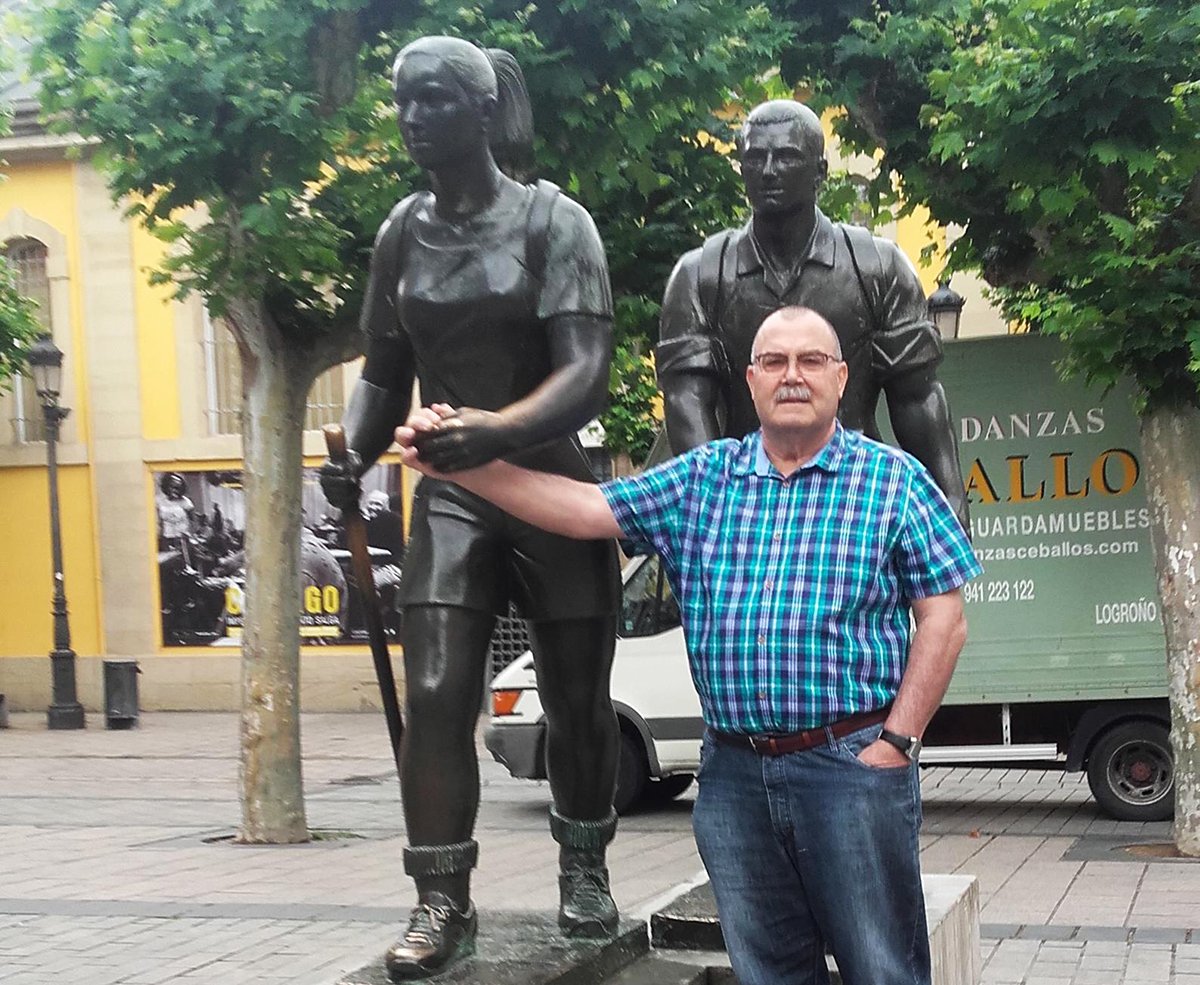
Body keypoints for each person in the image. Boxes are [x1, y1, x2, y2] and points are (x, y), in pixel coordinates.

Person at [398, 306, 982, 985]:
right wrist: (459, 466)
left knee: (881, 965)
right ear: (752, 380)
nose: (793, 375)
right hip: (734, 776)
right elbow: (585, 509)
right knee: (768, 968)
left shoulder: (893, 481)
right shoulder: (703, 478)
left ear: (841, 377)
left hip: (850, 767)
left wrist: (898, 742)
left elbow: (943, 618)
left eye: (811, 360)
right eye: (775, 362)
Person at [318, 36, 621, 981]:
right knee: (440, 695)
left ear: (483, 112)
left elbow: (587, 372)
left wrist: (498, 428)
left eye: (436, 101)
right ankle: (441, 896)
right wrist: (354, 450)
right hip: (451, 494)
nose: (414, 119)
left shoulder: (554, 223)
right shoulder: (400, 232)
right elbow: (381, 374)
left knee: (575, 696)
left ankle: (584, 865)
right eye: (404, 102)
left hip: (554, 489)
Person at [657, 99, 969, 526]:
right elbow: (687, 403)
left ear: (820, 172)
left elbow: (916, 397)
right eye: (755, 158)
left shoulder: (878, 267)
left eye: (786, 157)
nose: (768, 171)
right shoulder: (698, 275)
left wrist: (950, 501)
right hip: (747, 503)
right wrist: (718, 514)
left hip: (858, 503)